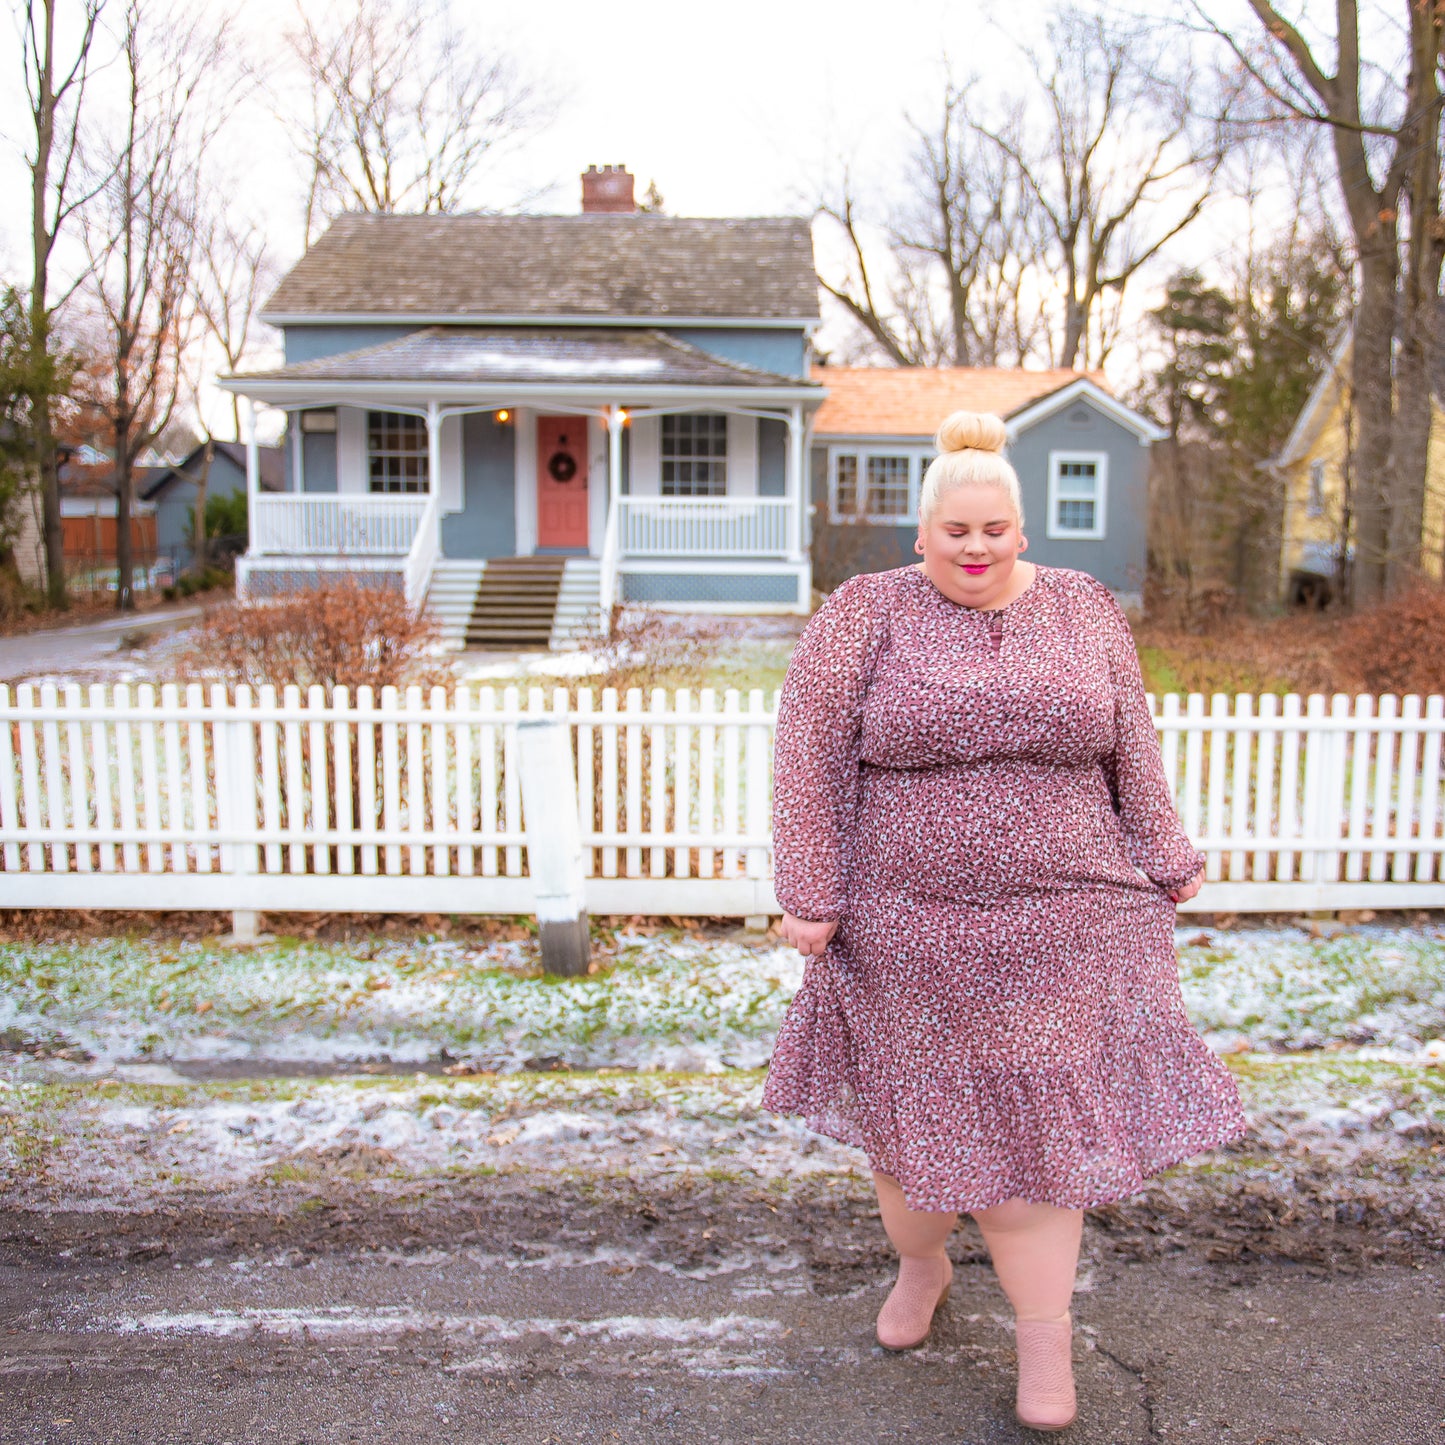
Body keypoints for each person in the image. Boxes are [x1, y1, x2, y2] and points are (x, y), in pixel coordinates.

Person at [760, 411, 1247, 1433]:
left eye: (993, 530)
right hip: (908, 928)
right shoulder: (863, 613)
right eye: (955, 532)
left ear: (1022, 530)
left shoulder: (1082, 607)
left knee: (1034, 1140)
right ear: (921, 535)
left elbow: (1131, 740)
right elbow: (808, 752)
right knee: (913, 1137)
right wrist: (810, 894)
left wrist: (1164, 853)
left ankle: (1042, 1338)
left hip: (1065, 919)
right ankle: (922, 1263)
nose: (974, 548)